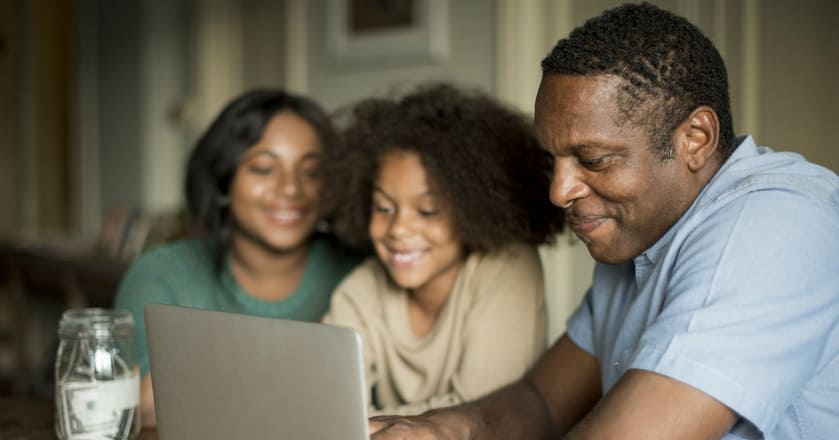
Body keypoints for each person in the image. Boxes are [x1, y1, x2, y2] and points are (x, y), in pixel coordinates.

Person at [368, 3, 839, 439]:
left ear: (695, 138)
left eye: (592, 160)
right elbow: (542, 401)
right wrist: (441, 430)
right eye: (553, 160)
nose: (559, 191)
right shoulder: (638, 236)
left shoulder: (779, 223)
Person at [113, 89, 363, 427]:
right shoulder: (160, 274)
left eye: (311, 172)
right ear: (222, 179)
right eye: (263, 168)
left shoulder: (360, 268)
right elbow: (145, 404)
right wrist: (303, 359)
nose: (291, 188)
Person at [321, 83, 564, 416]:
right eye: (383, 207)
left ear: (474, 211)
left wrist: (363, 423)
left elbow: (483, 417)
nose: (398, 229)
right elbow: (326, 408)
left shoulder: (507, 268)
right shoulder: (361, 290)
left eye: (428, 210)